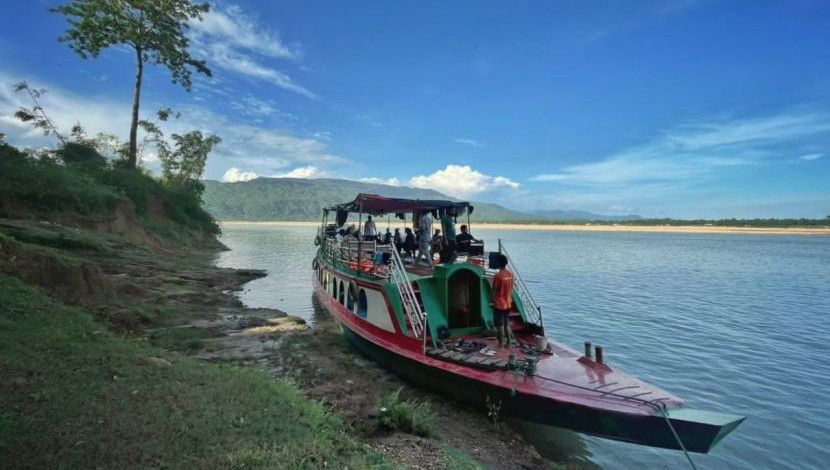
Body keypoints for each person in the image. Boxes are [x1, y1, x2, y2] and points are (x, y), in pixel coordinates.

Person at [491, 253, 514, 348]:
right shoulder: (511, 274)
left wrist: (491, 300)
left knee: (499, 325)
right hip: (508, 303)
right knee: (506, 324)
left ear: (498, 263)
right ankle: (509, 343)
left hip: (499, 304)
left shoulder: (498, 276)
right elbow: (512, 288)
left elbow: (494, 290)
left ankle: (500, 343)